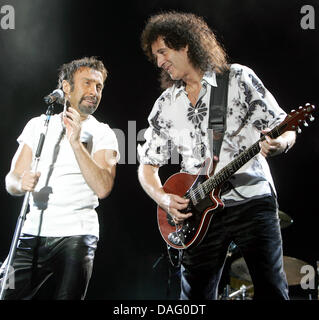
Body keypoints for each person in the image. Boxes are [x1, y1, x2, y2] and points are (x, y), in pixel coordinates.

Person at [137, 12, 296, 300]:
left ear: (185, 45)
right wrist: (162, 197)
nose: (159, 62)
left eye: (163, 51)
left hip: (252, 200)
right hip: (197, 213)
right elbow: (146, 166)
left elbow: (284, 127)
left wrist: (281, 144)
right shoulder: (165, 104)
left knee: (272, 290)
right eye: (155, 56)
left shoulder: (237, 77)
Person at [1, 57, 119, 300]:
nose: (94, 92)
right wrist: (20, 183)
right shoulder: (38, 125)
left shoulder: (104, 132)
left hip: (76, 235)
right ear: (66, 87)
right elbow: (11, 180)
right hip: (32, 232)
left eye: (99, 87)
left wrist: (76, 143)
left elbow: (103, 186)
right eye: (87, 83)